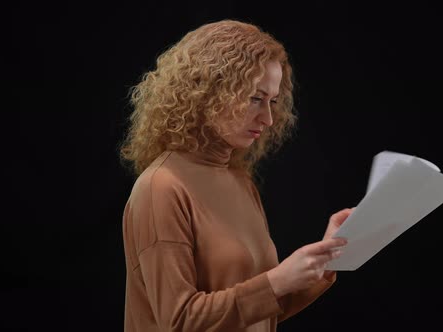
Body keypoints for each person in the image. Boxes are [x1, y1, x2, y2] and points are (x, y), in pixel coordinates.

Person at [119, 19, 353, 332]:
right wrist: (277, 280)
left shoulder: (240, 182)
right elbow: (179, 321)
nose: (268, 118)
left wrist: (324, 260)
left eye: (272, 101)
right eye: (255, 98)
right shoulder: (160, 187)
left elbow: (259, 311)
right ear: (207, 91)